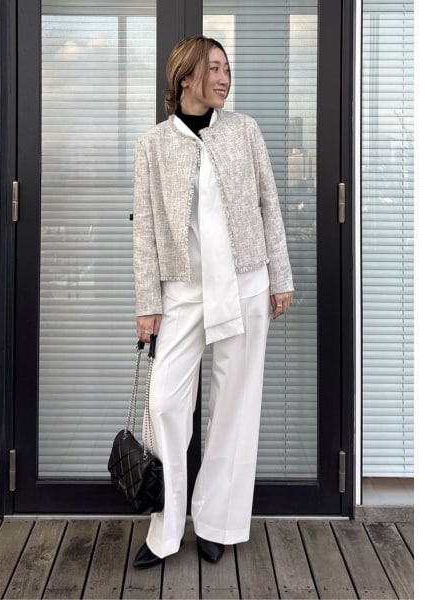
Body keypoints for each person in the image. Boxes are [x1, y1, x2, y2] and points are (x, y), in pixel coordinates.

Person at [132, 35, 293, 568]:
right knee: (164, 405)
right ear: (186, 78)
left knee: (234, 407)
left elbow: (269, 205)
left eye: (227, 68)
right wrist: (147, 302)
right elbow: (145, 231)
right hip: (182, 295)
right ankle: (166, 527)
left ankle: (217, 522)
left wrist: (280, 278)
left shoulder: (245, 131)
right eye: (215, 68)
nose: (225, 78)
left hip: (245, 287)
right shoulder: (154, 144)